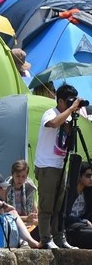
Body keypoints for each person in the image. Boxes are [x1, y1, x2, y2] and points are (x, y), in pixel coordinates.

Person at [35, 83, 84, 249]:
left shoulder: (69, 117)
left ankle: (58, 238)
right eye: (70, 101)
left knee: (59, 205)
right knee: (46, 205)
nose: (72, 104)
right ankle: (45, 238)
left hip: (60, 165)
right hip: (47, 165)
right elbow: (53, 124)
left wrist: (73, 114)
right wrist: (70, 110)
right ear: (61, 101)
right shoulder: (50, 113)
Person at [64, 161, 92, 248]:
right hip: (71, 226)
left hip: (84, 226)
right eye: (88, 176)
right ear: (79, 176)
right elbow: (64, 214)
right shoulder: (68, 192)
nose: (91, 178)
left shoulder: (88, 193)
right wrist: (83, 221)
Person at [5, 159, 38, 229]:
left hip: (26, 220)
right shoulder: (6, 189)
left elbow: (33, 207)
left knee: (39, 222)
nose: (20, 179)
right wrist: (26, 218)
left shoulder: (29, 187)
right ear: (12, 175)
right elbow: (6, 215)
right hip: (12, 221)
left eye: (23, 176)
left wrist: (34, 215)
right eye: (18, 176)